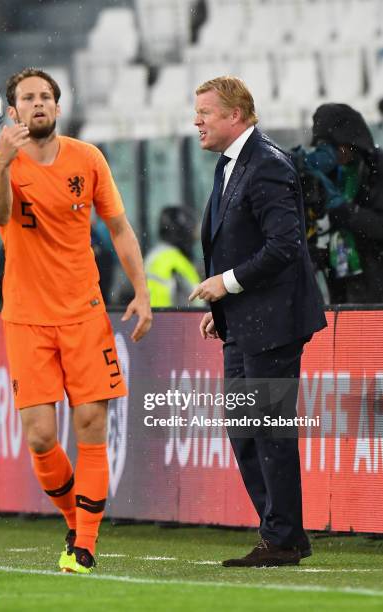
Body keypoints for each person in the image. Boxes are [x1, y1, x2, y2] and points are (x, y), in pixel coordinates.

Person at [0, 68, 152, 574]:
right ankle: (75, 518)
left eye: (45, 97)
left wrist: (141, 292)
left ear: (57, 105)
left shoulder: (88, 158)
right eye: (28, 98)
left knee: (92, 423)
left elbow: (118, 227)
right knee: (39, 435)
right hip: (26, 318)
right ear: (11, 111)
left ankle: (86, 545)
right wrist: (8, 160)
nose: (38, 104)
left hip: (83, 313)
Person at [189, 76, 327, 567]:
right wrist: (221, 308)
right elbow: (241, 242)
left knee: (266, 428)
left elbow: (284, 246)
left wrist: (225, 285)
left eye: (205, 111)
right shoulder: (231, 166)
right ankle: (281, 533)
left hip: (275, 323)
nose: (197, 120)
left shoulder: (266, 165)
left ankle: (284, 538)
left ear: (237, 114)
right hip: (245, 321)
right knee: (246, 429)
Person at [310, 103, 383, 303]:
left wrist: (346, 212)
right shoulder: (328, 174)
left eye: (337, 147)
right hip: (341, 283)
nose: (336, 154)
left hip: (375, 283)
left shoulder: (376, 169)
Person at [144, 206, 202, 307]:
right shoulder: (178, 262)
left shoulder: (152, 256)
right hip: (170, 320)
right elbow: (197, 304)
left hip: (151, 317)